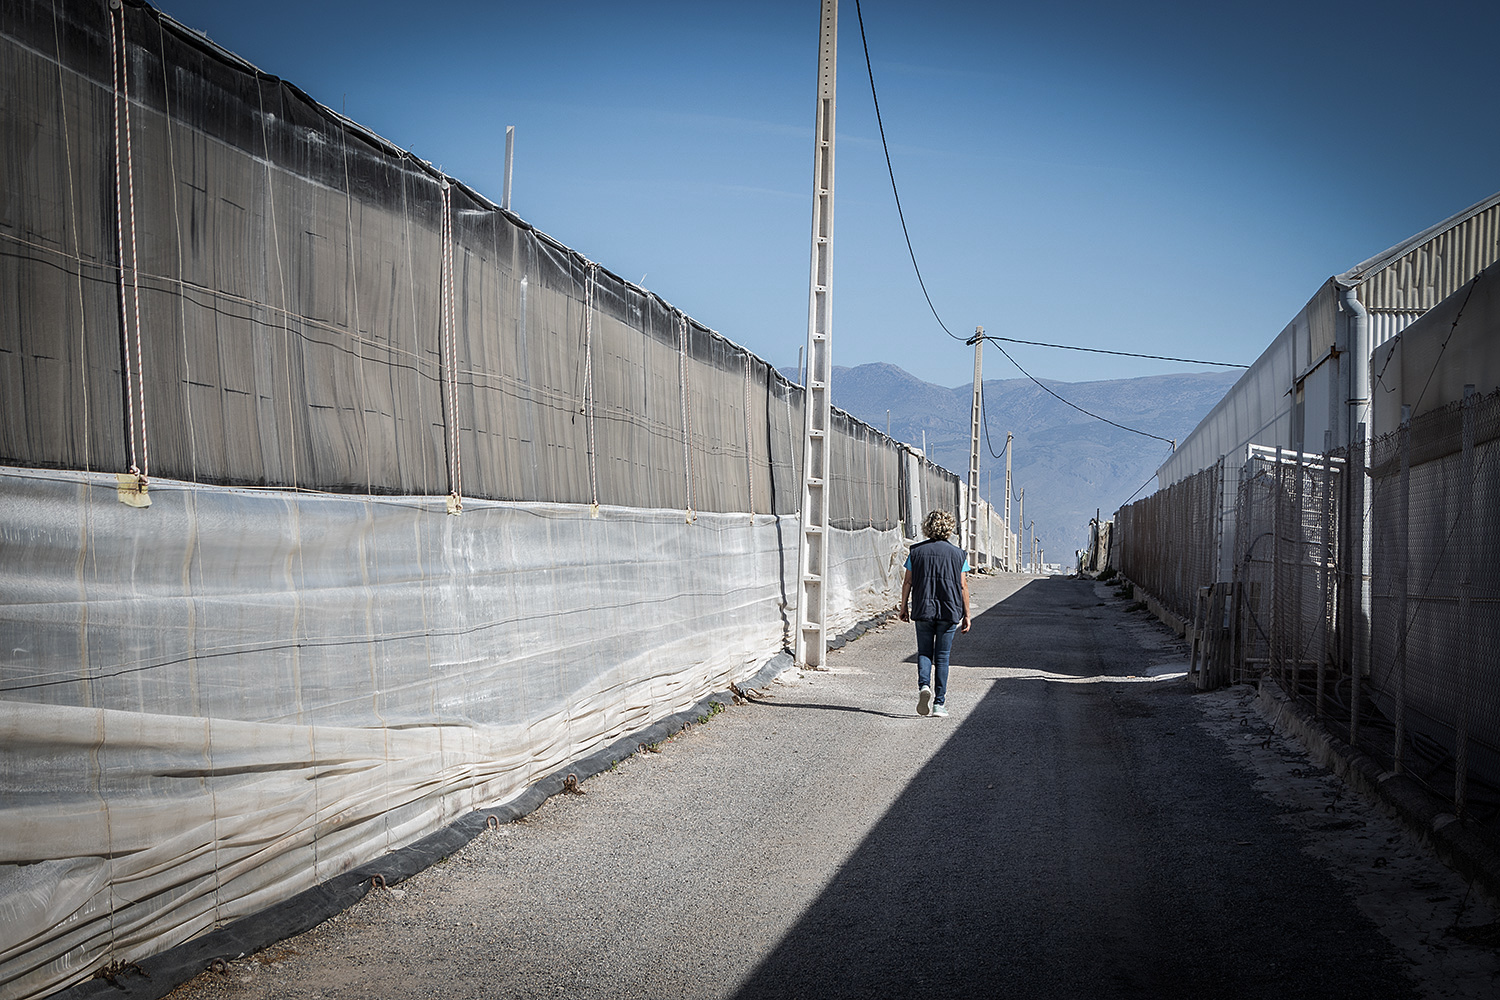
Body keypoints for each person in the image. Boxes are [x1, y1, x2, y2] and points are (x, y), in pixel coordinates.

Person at [898, 510, 971, 718]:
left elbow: (908, 582)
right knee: (942, 657)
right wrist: (967, 614)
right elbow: (963, 586)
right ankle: (939, 704)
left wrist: (903, 606)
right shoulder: (959, 555)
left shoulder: (916, 552)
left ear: (927, 527)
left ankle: (924, 686)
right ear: (949, 528)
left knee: (924, 652)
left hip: (923, 609)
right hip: (949, 610)